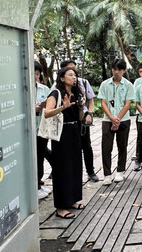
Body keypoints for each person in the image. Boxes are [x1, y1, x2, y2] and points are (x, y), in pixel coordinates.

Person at [44, 67, 85, 219]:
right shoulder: (56, 93)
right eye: (70, 75)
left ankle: (72, 199)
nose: (74, 78)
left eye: (75, 75)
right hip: (61, 134)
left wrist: (81, 107)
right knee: (62, 169)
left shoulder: (76, 94)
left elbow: (80, 117)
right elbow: (47, 113)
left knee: (75, 166)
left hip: (74, 131)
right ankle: (61, 207)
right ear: (61, 78)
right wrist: (63, 107)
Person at [55, 60, 98, 182]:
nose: (74, 75)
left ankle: (90, 171)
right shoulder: (56, 87)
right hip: (65, 120)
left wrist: (88, 113)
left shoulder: (83, 83)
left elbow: (91, 100)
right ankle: (61, 172)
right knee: (67, 149)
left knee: (86, 146)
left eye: (74, 71)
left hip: (81, 118)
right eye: (70, 72)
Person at [98, 58, 135, 185]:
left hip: (123, 119)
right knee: (106, 147)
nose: (116, 72)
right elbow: (103, 102)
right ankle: (107, 174)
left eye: (119, 69)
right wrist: (112, 118)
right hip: (108, 120)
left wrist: (117, 118)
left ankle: (120, 171)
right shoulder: (105, 84)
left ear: (124, 70)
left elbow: (128, 104)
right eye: (114, 69)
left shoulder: (129, 85)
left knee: (122, 146)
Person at [35, 62, 52, 199]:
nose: (35, 76)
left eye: (37, 73)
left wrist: (45, 105)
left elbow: (51, 107)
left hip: (41, 130)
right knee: (31, 159)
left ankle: (39, 183)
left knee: (40, 157)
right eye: (33, 73)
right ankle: (34, 186)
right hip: (27, 132)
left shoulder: (44, 89)